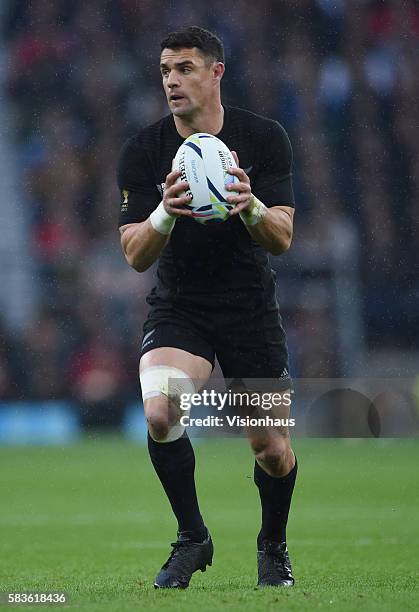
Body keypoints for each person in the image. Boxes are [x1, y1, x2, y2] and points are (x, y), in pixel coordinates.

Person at [117, 26, 298, 589]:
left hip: (248, 307)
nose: (172, 80)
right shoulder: (144, 150)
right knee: (160, 412)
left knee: (270, 447)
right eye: (166, 70)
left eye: (186, 68)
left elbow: (283, 236)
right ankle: (192, 538)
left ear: (216, 72)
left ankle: (273, 547)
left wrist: (250, 207)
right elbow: (134, 254)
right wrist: (164, 213)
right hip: (182, 306)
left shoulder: (263, 138)